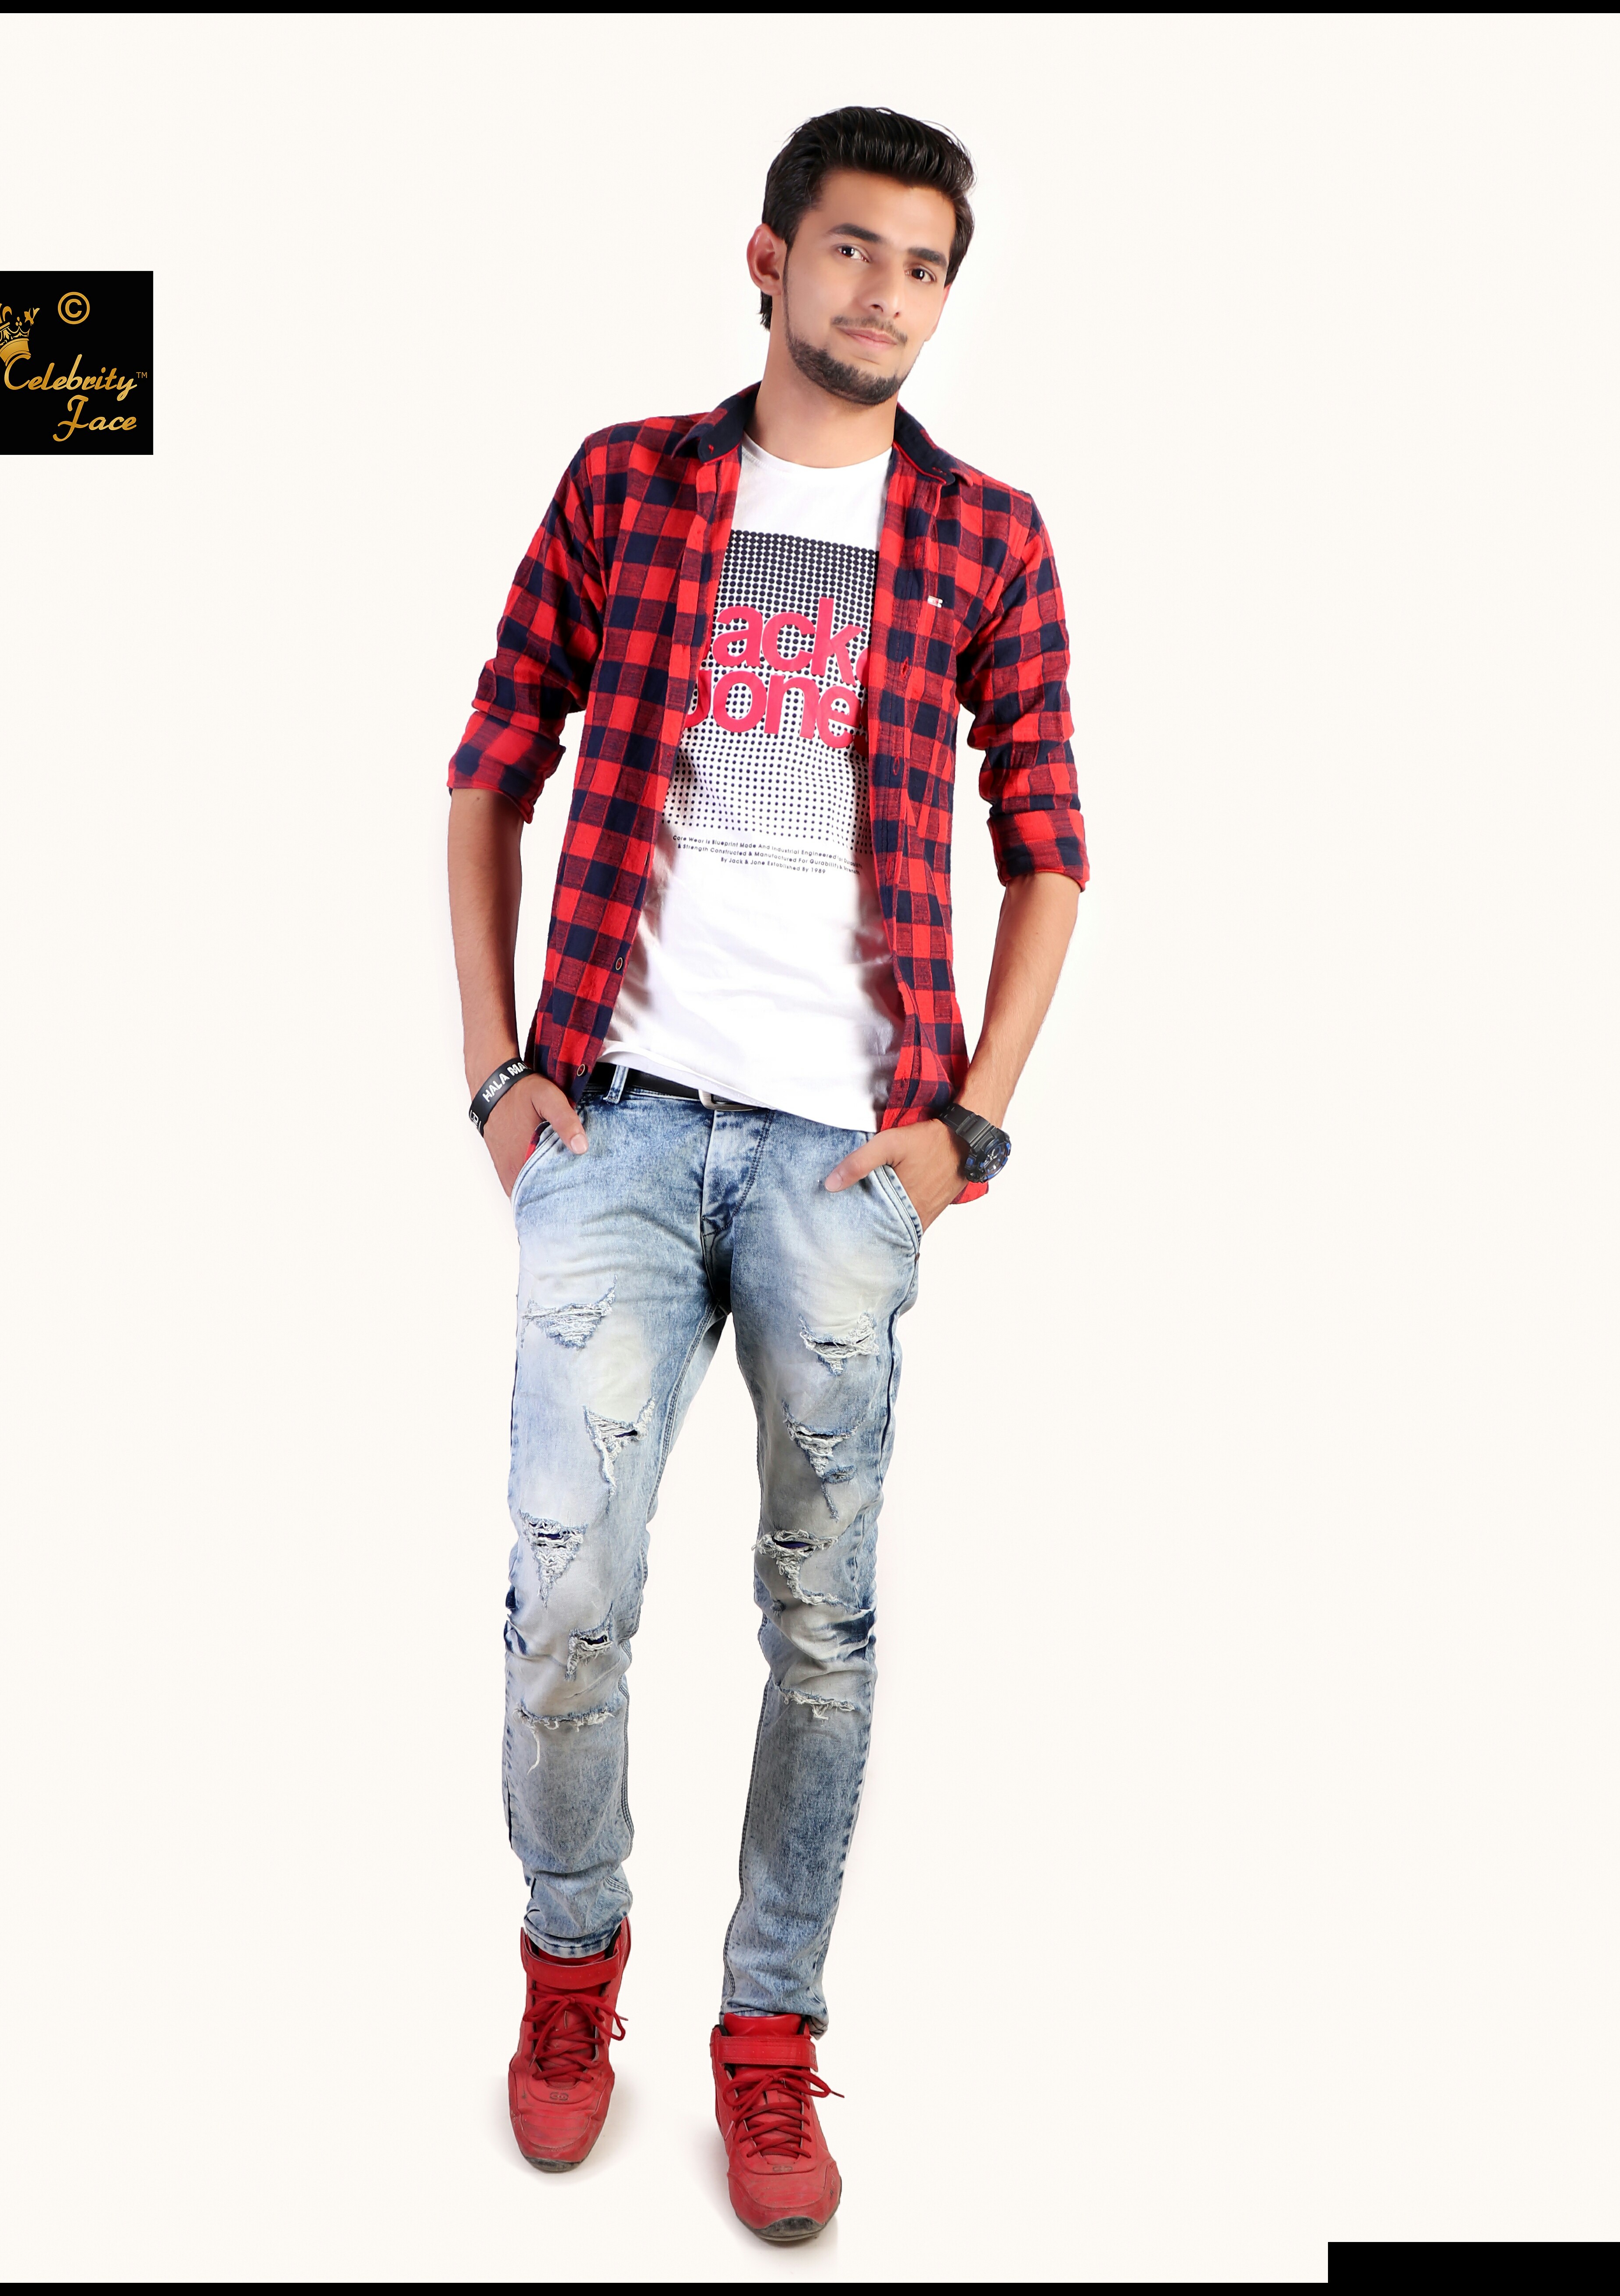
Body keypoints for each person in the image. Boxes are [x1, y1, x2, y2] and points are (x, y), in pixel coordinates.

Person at [446, 103, 1086, 2243]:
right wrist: (496, 1075)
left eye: (925, 264)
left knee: (822, 1621)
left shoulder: (988, 534)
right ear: (769, 257)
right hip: (615, 1120)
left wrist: (964, 1128)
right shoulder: (628, 482)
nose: (887, 292)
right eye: (853, 248)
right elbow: (491, 768)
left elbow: (1051, 847)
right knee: (570, 1588)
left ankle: (769, 2029)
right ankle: (569, 1974)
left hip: (843, 1157)